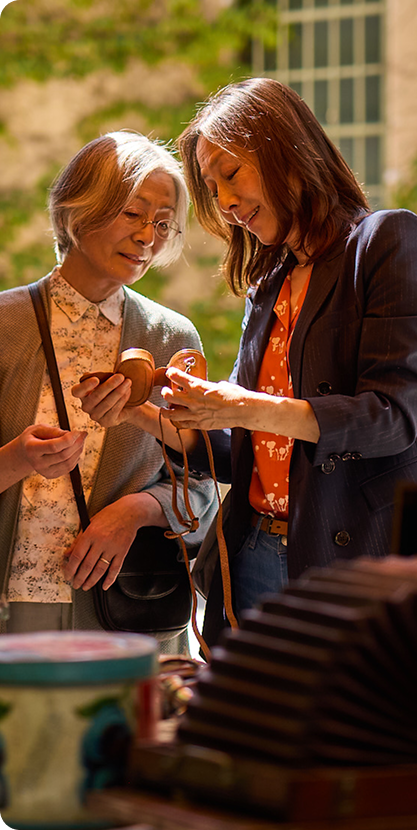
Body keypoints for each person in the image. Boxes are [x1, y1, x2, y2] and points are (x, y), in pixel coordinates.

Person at [76, 79, 417, 649]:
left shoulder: (384, 241)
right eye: (212, 187)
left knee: (339, 736)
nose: (226, 203)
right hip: (252, 553)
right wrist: (136, 412)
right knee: (247, 734)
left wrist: (238, 404)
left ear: (287, 149)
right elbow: (235, 450)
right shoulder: (269, 285)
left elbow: (393, 417)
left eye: (231, 174)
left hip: (349, 559)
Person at [0, 130, 216, 639]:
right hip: (14, 611)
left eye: (163, 223)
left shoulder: (171, 337)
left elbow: (204, 478)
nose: (149, 236)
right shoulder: (6, 326)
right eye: (133, 213)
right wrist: (16, 459)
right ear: (78, 211)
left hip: (128, 605)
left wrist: (137, 510)